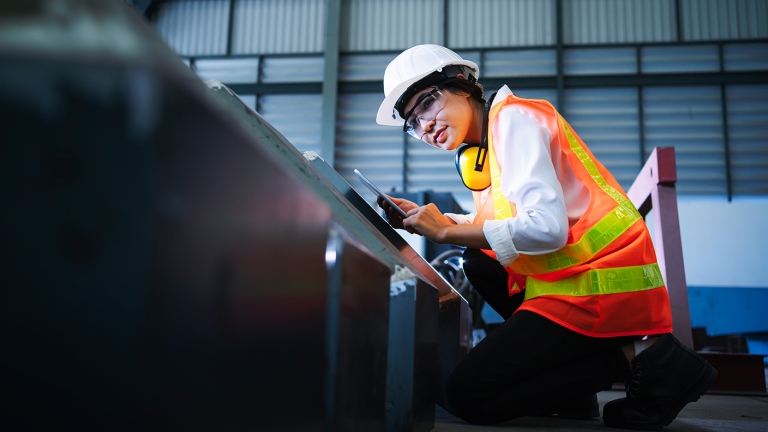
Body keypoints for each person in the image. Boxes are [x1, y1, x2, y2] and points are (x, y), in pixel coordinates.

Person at [374, 44, 717, 430]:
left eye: (426, 104)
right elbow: (501, 221)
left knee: (468, 397)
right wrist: (431, 220)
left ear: (464, 86)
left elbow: (547, 228)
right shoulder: (485, 150)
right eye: (412, 123)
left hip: (600, 285)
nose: (425, 126)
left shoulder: (514, 120)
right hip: (570, 282)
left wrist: (447, 231)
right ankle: (573, 393)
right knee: (477, 260)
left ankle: (643, 355)